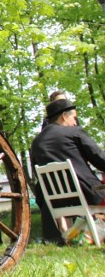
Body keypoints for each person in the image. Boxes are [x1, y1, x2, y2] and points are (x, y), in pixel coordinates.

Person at [31, 98, 105, 243]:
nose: (75, 122)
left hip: (53, 199)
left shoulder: (36, 141)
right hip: (86, 193)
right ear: (64, 116)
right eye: (73, 117)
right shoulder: (73, 132)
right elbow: (99, 158)